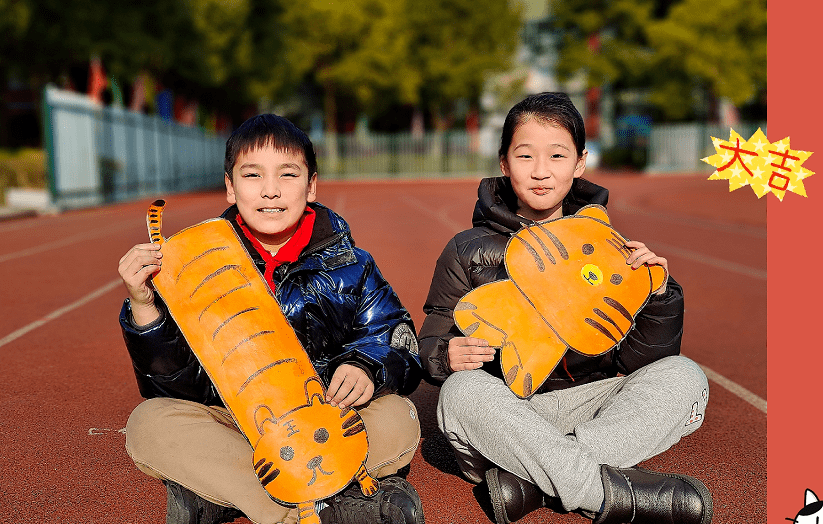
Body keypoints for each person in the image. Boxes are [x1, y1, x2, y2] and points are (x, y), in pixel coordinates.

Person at [418, 92, 712, 524]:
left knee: (686, 377)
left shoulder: (608, 248)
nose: (540, 172)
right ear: (503, 162)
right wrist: (445, 355)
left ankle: (531, 484)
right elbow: (432, 336)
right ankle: (617, 496)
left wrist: (660, 295)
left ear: (579, 163)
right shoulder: (466, 249)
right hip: (511, 413)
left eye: (557, 156)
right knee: (460, 395)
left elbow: (641, 362)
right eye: (525, 156)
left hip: (587, 409)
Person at [118, 114, 425, 524]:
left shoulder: (352, 264)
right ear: (230, 186)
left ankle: (226, 496)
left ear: (311, 185)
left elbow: (398, 341)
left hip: (324, 419)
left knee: (398, 417)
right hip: (236, 423)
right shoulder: (194, 267)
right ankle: (320, 508)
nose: (270, 191)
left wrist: (367, 366)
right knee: (148, 425)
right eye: (252, 175)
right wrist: (144, 305)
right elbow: (174, 385)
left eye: (288, 174)